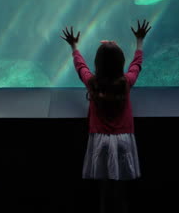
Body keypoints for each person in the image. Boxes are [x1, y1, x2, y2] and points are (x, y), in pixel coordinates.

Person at [60, 19, 151, 213]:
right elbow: (136, 65)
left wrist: (74, 46)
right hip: (124, 138)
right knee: (122, 189)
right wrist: (140, 41)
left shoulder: (93, 83)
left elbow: (80, 67)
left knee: (104, 189)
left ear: (97, 63)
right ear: (121, 63)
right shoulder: (125, 82)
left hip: (100, 140)